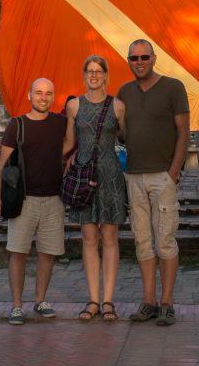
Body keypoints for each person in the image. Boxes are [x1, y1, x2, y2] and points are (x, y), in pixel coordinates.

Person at [117, 39, 189, 327]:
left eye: (144, 57)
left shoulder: (173, 87)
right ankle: (148, 301)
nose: (139, 62)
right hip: (134, 174)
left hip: (162, 175)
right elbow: (122, 135)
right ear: (129, 61)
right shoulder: (124, 92)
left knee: (166, 240)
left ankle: (167, 302)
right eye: (133, 58)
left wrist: (173, 173)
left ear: (154, 58)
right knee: (142, 241)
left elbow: (183, 132)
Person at [0, 78, 67, 326]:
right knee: (18, 252)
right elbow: (2, 165)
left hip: (54, 199)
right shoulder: (17, 125)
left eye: (48, 93)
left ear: (52, 97)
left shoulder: (60, 123)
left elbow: (72, 145)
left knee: (47, 253)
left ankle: (41, 300)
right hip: (24, 199)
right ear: (29, 95)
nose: (43, 97)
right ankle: (16, 306)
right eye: (38, 93)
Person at [62, 55, 127, 322]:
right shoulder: (74, 106)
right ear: (84, 75)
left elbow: (126, 138)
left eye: (99, 71)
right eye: (89, 71)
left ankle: (108, 301)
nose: (94, 76)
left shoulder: (118, 106)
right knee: (88, 239)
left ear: (106, 75)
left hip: (110, 175)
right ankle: (92, 300)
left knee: (110, 239)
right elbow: (69, 141)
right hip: (83, 175)